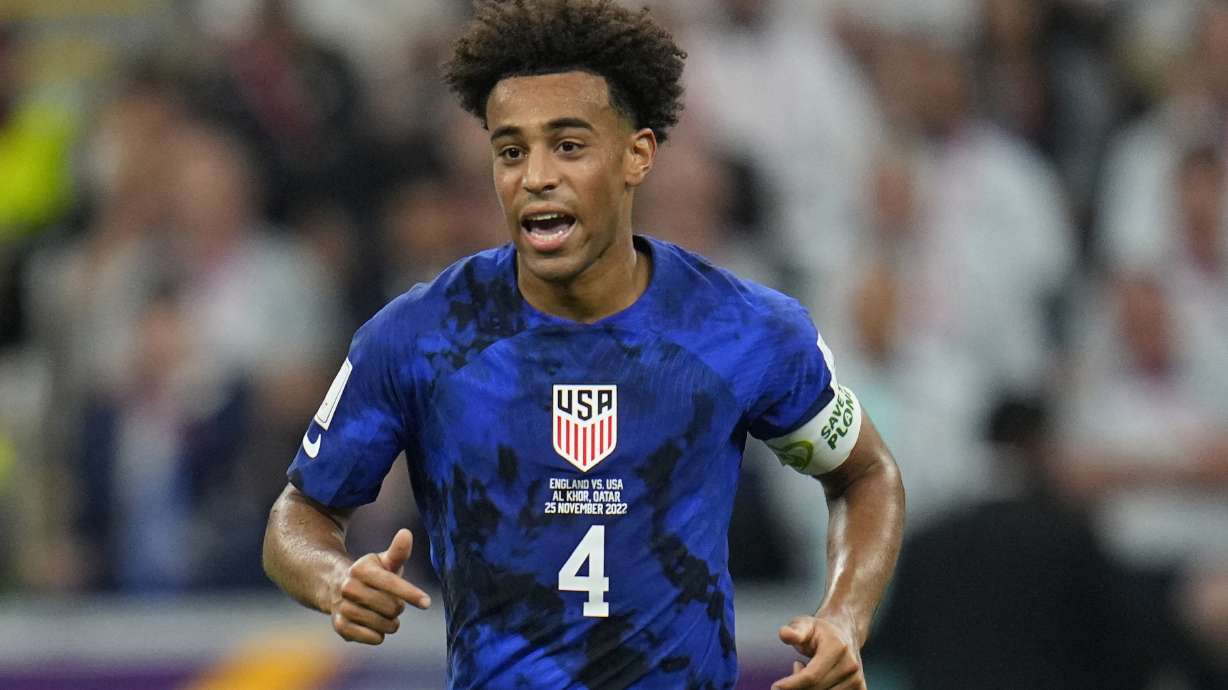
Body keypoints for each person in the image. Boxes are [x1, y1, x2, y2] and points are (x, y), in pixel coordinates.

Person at [262, 2, 905, 689]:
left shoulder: (741, 329)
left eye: (567, 145)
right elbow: (299, 515)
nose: (535, 175)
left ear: (638, 155)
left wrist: (846, 615)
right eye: (511, 150)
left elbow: (866, 476)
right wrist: (334, 578)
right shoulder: (418, 336)